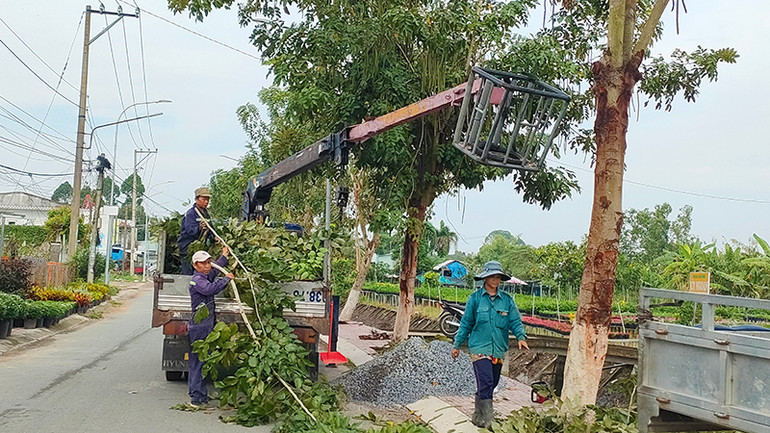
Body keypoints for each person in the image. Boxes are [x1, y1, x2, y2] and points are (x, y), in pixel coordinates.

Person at [451, 261, 529, 429]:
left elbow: (515, 321)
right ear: (485, 278)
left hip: (498, 349)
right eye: (492, 276)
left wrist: (521, 337)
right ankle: (488, 421)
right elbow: (466, 323)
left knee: (492, 383)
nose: (495, 279)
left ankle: (478, 414)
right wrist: (457, 345)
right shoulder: (475, 299)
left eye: (498, 277)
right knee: (486, 381)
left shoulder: (507, 301)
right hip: (479, 347)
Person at [187, 248, 234, 406]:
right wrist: (226, 279)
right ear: (195, 265)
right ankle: (196, 397)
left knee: (203, 361)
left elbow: (216, 270)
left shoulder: (206, 276)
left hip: (206, 324)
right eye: (203, 263)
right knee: (198, 361)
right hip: (199, 326)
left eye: (208, 263)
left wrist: (224, 256)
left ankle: (200, 395)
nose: (207, 266)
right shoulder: (197, 280)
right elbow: (210, 289)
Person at [178, 187, 214, 275]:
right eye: (204, 199)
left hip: (199, 249)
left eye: (208, 199)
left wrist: (214, 237)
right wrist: (199, 228)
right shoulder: (191, 213)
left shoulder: (206, 214)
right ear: (196, 199)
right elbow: (189, 230)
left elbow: (211, 229)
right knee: (188, 274)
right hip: (188, 248)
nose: (206, 202)